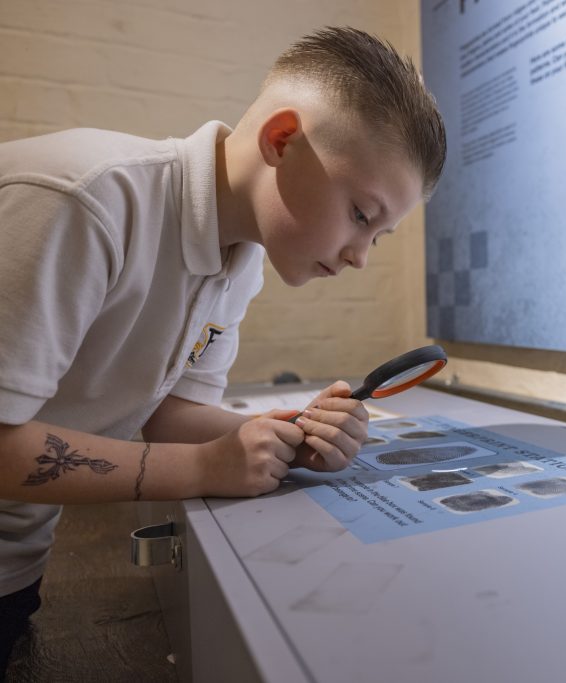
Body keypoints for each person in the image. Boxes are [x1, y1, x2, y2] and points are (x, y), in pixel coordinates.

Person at [0, 26, 446, 672]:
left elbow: (169, 411)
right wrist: (206, 468)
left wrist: (287, 436)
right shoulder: (88, 201)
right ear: (283, 140)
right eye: (360, 214)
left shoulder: (238, 261)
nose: (359, 257)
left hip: (18, 572)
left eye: (380, 235)